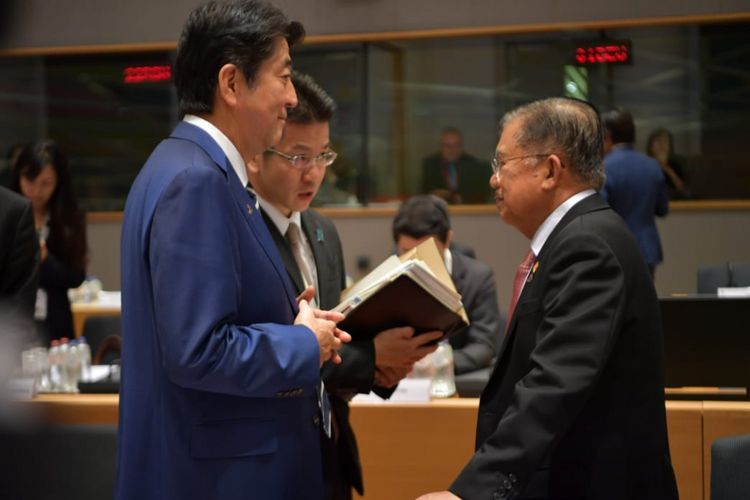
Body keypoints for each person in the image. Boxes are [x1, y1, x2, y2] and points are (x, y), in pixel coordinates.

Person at [116, 3, 349, 500]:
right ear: (231, 83)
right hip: (219, 477)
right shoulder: (197, 180)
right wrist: (306, 343)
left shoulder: (183, 165)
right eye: (282, 77)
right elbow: (198, 350)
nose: (291, 97)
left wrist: (293, 317)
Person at [418, 97, 678, 500]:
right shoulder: (576, 236)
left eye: (502, 163)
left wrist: (470, 493)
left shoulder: (588, 245)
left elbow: (553, 384)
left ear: (549, 170)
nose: (493, 180)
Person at [248, 71, 440, 500]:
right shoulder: (245, 234)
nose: (313, 173)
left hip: (331, 447)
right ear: (258, 154)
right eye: (298, 157)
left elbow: (335, 336)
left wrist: (384, 364)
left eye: (323, 156)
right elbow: (274, 350)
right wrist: (372, 355)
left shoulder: (322, 230)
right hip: (274, 454)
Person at [392, 195, 503, 375]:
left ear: (448, 240)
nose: (416, 262)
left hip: (452, 378)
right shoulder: (392, 277)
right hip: (401, 382)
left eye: (426, 252)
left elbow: (484, 345)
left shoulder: (478, 277)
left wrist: (437, 366)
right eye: (406, 252)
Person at [10, 141, 87, 341]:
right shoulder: (7, 214)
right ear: (18, 175)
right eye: (29, 180)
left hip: (55, 322)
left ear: (58, 181)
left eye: (46, 183)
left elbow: (76, 276)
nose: (36, 190)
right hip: (13, 321)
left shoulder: (68, 217)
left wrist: (44, 258)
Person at [601, 108, 669, 278]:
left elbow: (601, 212)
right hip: (647, 249)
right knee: (644, 303)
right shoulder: (653, 166)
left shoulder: (604, 168)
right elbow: (662, 209)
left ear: (607, 136)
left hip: (614, 250)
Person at [421, 127, 490, 204]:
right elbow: (423, 194)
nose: (452, 149)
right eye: (447, 145)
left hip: (468, 211)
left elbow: (481, 195)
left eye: (456, 145)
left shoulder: (474, 165)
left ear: (461, 146)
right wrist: (436, 195)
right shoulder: (430, 165)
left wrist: (460, 199)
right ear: (440, 147)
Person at [646, 127, 691, 199]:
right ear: (651, 146)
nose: (662, 144)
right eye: (658, 141)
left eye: (665, 141)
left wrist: (666, 168)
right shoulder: (645, 164)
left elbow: (683, 189)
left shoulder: (677, 163)